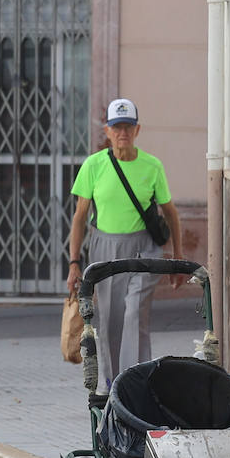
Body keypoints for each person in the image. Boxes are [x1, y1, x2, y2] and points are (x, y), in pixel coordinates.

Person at [66, 98, 183, 393]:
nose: (123, 133)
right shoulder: (94, 166)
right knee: (109, 322)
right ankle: (111, 386)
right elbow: (80, 218)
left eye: (128, 127)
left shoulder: (152, 166)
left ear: (137, 130)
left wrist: (178, 260)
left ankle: (137, 383)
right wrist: (74, 262)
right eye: (117, 127)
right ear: (107, 130)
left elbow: (171, 214)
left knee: (134, 313)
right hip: (104, 248)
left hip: (145, 249)